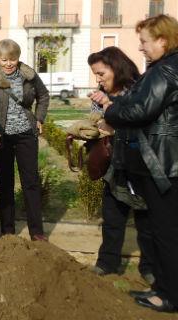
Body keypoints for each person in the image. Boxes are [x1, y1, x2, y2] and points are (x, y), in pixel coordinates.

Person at [95, 14, 178, 313]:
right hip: (168, 162)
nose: (140, 48)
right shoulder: (166, 67)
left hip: (164, 165)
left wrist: (111, 112)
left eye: (144, 41)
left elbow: (141, 109)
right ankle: (164, 288)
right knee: (165, 230)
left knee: (165, 232)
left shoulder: (165, 70)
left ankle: (168, 295)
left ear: (162, 41)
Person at [85, 47, 156, 284]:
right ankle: (107, 263)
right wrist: (92, 128)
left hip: (141, 165)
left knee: (146, 221)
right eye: (95, 74)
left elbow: (143, 124)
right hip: (115, 166)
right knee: (112, 217)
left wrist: (112, 114)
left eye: (101, 73)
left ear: (116, 67)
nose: (99, 79)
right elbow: (100, 124)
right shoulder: (99, 95)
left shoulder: (139, 90)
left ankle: (149, 267)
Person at [0, 39, 49, 241]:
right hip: (1, 137)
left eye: (13, 59)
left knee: (31, 182)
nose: (9, 64)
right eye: (4, 60)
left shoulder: (30, 77)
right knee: (5, 182)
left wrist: (39, 118)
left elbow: (43, 96)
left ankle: (37, 232)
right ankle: (7, 231)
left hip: (26, 135)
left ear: (18, 59)